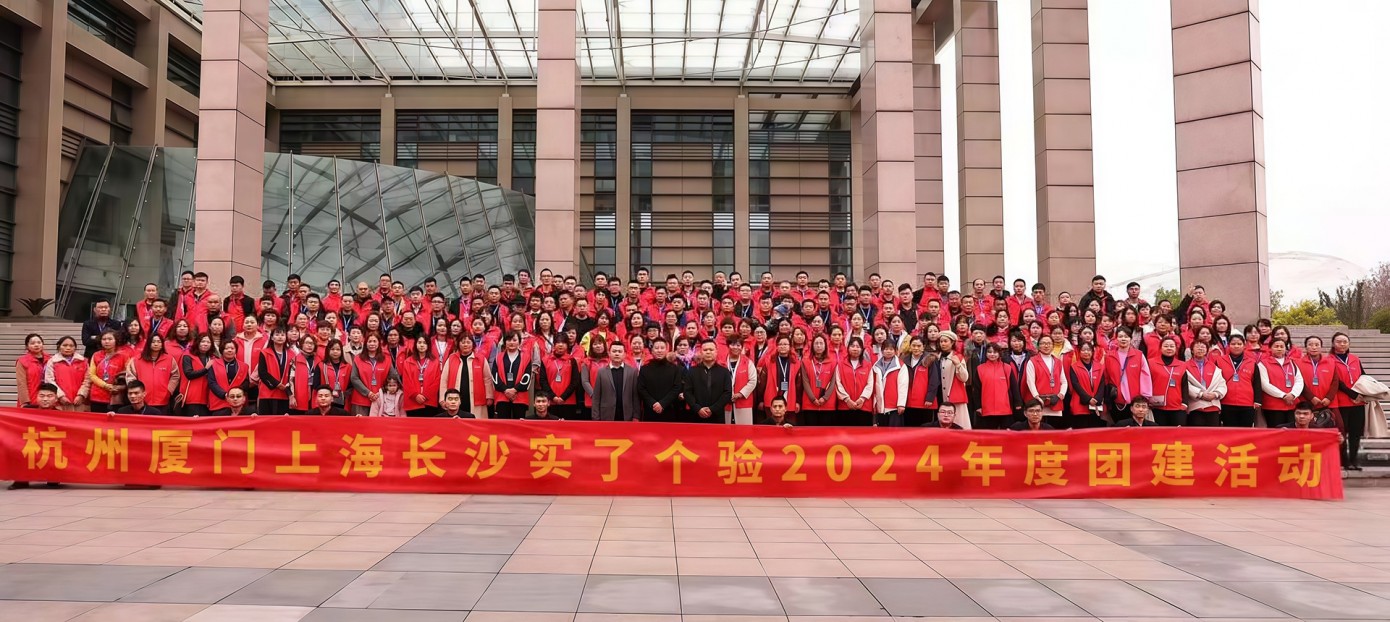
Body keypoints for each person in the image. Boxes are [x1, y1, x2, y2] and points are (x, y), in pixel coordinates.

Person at [1330, 332, 1366, 470]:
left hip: (1358, 402)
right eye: (1338, 341)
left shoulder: (1355, 359)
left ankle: (1354, 460)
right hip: (1341, 402)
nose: (1342, 344)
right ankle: (1344, 461)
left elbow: (1363, 376)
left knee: (1355, 433)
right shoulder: (1329, 360)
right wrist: (1352, 393)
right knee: (1342, 433)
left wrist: (1365, 392)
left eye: (1345, 341)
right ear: (1333, 344)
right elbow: (1336, 381)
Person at [970, 343, 1020, 430]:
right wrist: (978, 406)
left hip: (1005, 408)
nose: (992, 354)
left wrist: (1018, 403)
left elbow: (1014, 387)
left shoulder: (1007, 368)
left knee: (1006, 434)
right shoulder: (980, 368)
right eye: (989, 352)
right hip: (987, 409)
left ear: (999, 353)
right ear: (986, 353)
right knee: (989, 435)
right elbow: (976, 389)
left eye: (995, 352)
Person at [441, 338, 492, 419]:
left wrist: (489, 396)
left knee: (476, 423)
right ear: (458, 344)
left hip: (476, 398)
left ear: (473, 344)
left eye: (468, 342)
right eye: (463, 342)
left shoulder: (481, 359)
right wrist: (442, 398)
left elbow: (487, 379)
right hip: (455, 398)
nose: (465, 345)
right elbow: (444, 380)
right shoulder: (451, 358)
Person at [126, 334, 179, 413]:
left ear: (162, 344)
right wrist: (137, 393)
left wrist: (169, 390)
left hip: (162, 401)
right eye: (153, 342)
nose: (156, 344)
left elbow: (175, 376)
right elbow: (130, 377)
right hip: (141, 402)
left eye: (159, 342)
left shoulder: (170, 359)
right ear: (148, 343)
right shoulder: (137, 359)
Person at [1258, 338, 1304, 428]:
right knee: (1276, 431)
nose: (1279, 349)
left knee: (1291, 431)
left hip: (1291, 404)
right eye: (1276, 346)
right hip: (1273, 405)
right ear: (1270, 348)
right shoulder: (1263, 364)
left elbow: (1299, 380)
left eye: (1282, 346)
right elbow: (1265, 384)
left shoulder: (1291, 363)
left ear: (1286, 349)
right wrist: (1283, 395)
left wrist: (1293, 394)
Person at [1023, 334, 1068, 425]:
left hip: (1055, 401)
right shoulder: (1032, 361)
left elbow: (1064, 381)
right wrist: (1037, 397)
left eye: (1049, 343)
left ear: (1053, 345)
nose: (1046, 346)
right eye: (1043, 343)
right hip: (1038, 401)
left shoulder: (1058, 362)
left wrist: (1061, 395)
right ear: (1038, 345)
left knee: (1053, 428)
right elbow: (1030, 381)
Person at [685, 340, 733, 424]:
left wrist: (712, 409)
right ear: (701, 352)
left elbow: (727, 393)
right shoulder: (692, 371)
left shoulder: (724, 372)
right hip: (696, 414)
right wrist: (697, 408)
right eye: (705, 350)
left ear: (716, 352)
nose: (708, 352)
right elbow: (687, 392)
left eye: (711, 350)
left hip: (717, 415)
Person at [350, 333, 396, 417]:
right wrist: (368, 393)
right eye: (369, 341)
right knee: (360, 425)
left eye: (374, 341)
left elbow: (392, 378)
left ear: (379, 343)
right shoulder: (358, 358)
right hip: (361, 400)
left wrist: (381, 391)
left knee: (377, 425)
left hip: (381, 399)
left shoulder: (387, 359)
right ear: (365, 343)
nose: (372, 344)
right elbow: (354, 378)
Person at [490, 331, 533, 420]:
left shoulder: (526, 357)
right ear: (505, 342)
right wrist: (505, 390)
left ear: (519, 342)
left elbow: (527, 377)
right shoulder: (498, 358)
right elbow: (495, 377)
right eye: (509, 340)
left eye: (514, 340)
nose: (511, 342)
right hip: (502, 397)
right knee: (503, 424)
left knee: (519, 425)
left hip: (520, 397)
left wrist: (515, 390)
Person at [637, 339, 683, 422]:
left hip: (669, 410)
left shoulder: (675, 369)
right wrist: (653, 403)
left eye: (662, 348)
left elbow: (677, 388)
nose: (659, 350)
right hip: (650, 410)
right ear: (652, 351)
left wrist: (662, 404)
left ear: (667, 350)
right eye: (656, 348)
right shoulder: (644, 369)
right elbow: (641, 388)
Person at [592, 342, 639, 421]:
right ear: (609, 353)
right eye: (614, 351)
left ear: (624, 354)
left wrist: (636, 416)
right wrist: (595, 418)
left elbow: (635, 397)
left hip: (627, 415)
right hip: (606, 415)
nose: (617, 354)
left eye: (620, 351)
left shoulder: (632, 372)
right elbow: (596, 397)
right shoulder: (601, 372)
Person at [1066, 342, 1108, 428]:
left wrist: (1097, 398)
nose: (1086, 352)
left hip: (1096, 404)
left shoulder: (1099, 366)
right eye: (1083, 350)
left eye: (1088, 350)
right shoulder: (1074, 366)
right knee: (1081, 429)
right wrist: (1088, 399)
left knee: (1095, 430)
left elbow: (1102, 384)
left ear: (1092, 352)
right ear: (1079, 352)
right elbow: (1075, 384)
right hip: (1080, 403)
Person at [1184, 340, 1226, 427]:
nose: (1200, 349)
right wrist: (1200, 394)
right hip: (1195, 407)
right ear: (1192, 350)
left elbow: (1222, 384)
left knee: (1213, 433)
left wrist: (1215, 394)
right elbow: (1185, 385)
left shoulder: (1214, 367)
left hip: (1213, 406)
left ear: (1207, 350)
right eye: (1197, 347)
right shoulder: (1184, 366)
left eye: (1203, 347)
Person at [398, 335, 441, 417]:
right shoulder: (408, 361)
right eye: (419, 342)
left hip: (429, 401)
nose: (422, 345)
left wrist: (426, 395)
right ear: (415, 345)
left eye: (424, 343)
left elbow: (437, 380)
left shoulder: (435, 362)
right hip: (413, 401)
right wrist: (415, 395)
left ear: (428, 345)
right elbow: (406, 381)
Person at [834, 337, 874, 426]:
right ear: (848, 348)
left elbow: (870, 384)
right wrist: (847, 399)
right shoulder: (840, 364)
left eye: (858, 346)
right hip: (845, 406)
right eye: (852, 346)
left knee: (863, 433)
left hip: (864, 406)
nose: (855, 349)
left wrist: (862, 399)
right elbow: (838, 383)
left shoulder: (868, 365)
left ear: (862, 349)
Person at [43, 336, 88, 412]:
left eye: (71, 346)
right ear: (59, 346)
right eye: (65, 345)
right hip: (60, 403)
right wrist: (60, 396)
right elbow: (49, 380)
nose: (68, 348)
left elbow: (87, 380)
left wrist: (81, 395)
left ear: (75, 348)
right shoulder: (52, 362)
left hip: (80, 402)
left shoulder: (83, 361)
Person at [86, 330, 127, 413]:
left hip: (116, 395)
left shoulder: (124, 356)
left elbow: (128, 374)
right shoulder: (96, 355)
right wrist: (105, 385)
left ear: (116, 340)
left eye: (110, 339)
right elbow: (92, 375)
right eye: (104, 339)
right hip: (97, 396)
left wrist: (119, 387)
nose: (106, 341)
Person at [256, 327, 292, 415]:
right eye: (277, 334)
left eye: (282, 335)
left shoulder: (291, 354)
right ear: (272, 337)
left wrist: (288, 389)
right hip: (267, 392)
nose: (280, 337)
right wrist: (277, 384)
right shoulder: (264, 352)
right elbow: (262, 372)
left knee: (281, 421)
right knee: (266, 420)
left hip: (284, 393)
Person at [871, 340, 907, 427]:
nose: (888, 351)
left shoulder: (901, 366)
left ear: (895, 351)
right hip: (880, 405)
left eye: (891, 349)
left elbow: (903, 386)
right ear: (882, 350)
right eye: (886, 349)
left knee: (894, 432)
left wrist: (901, 404)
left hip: (894, 406)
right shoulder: (875, 365)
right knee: (882, 432)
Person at [180, 335, 216, 417]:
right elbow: (189, 374)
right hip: (192, 396)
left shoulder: (213, 358)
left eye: (208, 342)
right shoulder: (188, 356)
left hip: (207, 397)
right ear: (197, 343)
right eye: (203, 341)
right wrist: (206, 369)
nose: (205, 344)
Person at [726, 338, 758, 425]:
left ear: (742, 347)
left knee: (744, 430)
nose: (735, 347)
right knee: (726, 430)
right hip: (725, 401)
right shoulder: (722, 362)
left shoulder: (748, 362)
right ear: (728, 346)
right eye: (732, 344)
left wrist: (740, 394)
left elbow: (753, 381)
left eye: (738, 345)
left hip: (743, 401)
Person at [15, 333, 48, 407]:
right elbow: (21, 383)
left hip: (48, 400)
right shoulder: (22, 361)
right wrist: (25, 402)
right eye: (32, 343)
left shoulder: (50, 359)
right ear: (27, 346)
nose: (36, 345)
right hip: (30, 399)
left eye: (39, 342)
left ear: (42, 344)